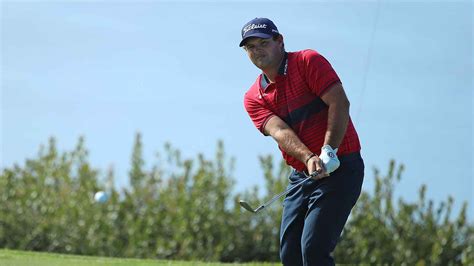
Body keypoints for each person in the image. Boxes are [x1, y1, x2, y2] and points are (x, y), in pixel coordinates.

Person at [240, 18, 365, 266]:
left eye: (263, 42)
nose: (257, 51)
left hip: (341, 167)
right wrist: (309, 158)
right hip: (302, 175)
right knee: (290, 255)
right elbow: (280, 131)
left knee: (314, 249)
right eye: (250, 47)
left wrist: (329, 150)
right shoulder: (253, 97)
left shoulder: (307, 61)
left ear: (280, 41)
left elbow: (339, 102)